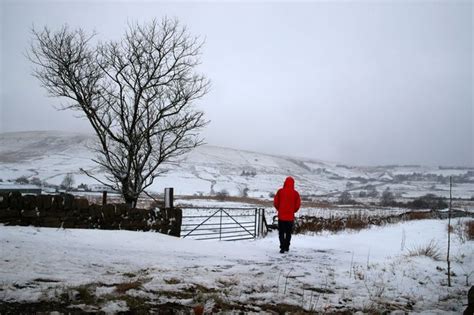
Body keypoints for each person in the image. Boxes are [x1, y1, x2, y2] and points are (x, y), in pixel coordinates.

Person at [273, 176, 301, 253]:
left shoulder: (280, 191)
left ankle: (282, 247)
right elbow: (297, 205)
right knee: (288, 233)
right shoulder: (296, 193)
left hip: (281, 217)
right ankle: (287, 247)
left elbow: (275, 203)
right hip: (290, 218)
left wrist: (280, 209)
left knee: (281, 233)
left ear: (285, 182)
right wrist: (293, 211)